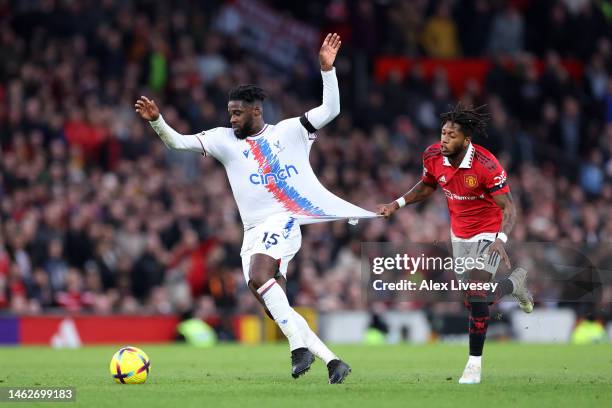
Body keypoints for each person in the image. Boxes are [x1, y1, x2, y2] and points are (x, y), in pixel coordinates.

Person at [136, 33, 376, 384]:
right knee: (272, 303)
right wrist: (157, 120)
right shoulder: (221, 139)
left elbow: (331, 110)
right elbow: (177, 143)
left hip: (283, 220)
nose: (231, 119)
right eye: (229, 113)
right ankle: (333, 361)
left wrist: (327, 71)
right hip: (252, 232)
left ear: (256, 111)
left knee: (260, 277)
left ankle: (297, 349)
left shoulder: (289, 131)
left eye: (237, 113)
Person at [377, 103, 534, 384]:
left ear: (466, 139)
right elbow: (427, 185)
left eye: (451, 135)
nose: (444, 139)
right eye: (443, 133)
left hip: (489, 233)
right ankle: (515, 284)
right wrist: (397, 204)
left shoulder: (487, 166)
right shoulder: (433, 155)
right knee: (475, 300)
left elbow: (509, 208)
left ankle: (473, 366)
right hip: (459, 235)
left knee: (476, 294)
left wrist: (501, 239)